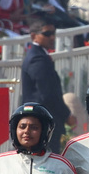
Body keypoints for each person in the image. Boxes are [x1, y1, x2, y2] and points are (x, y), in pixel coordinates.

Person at [19, 21, 69, 151]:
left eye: (53, 33)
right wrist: (66, 114)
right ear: (34, 36)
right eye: (47, 34)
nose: (52, 37)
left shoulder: (40, 55)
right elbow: (46, 94)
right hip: (42, 120)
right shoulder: (37, 59)